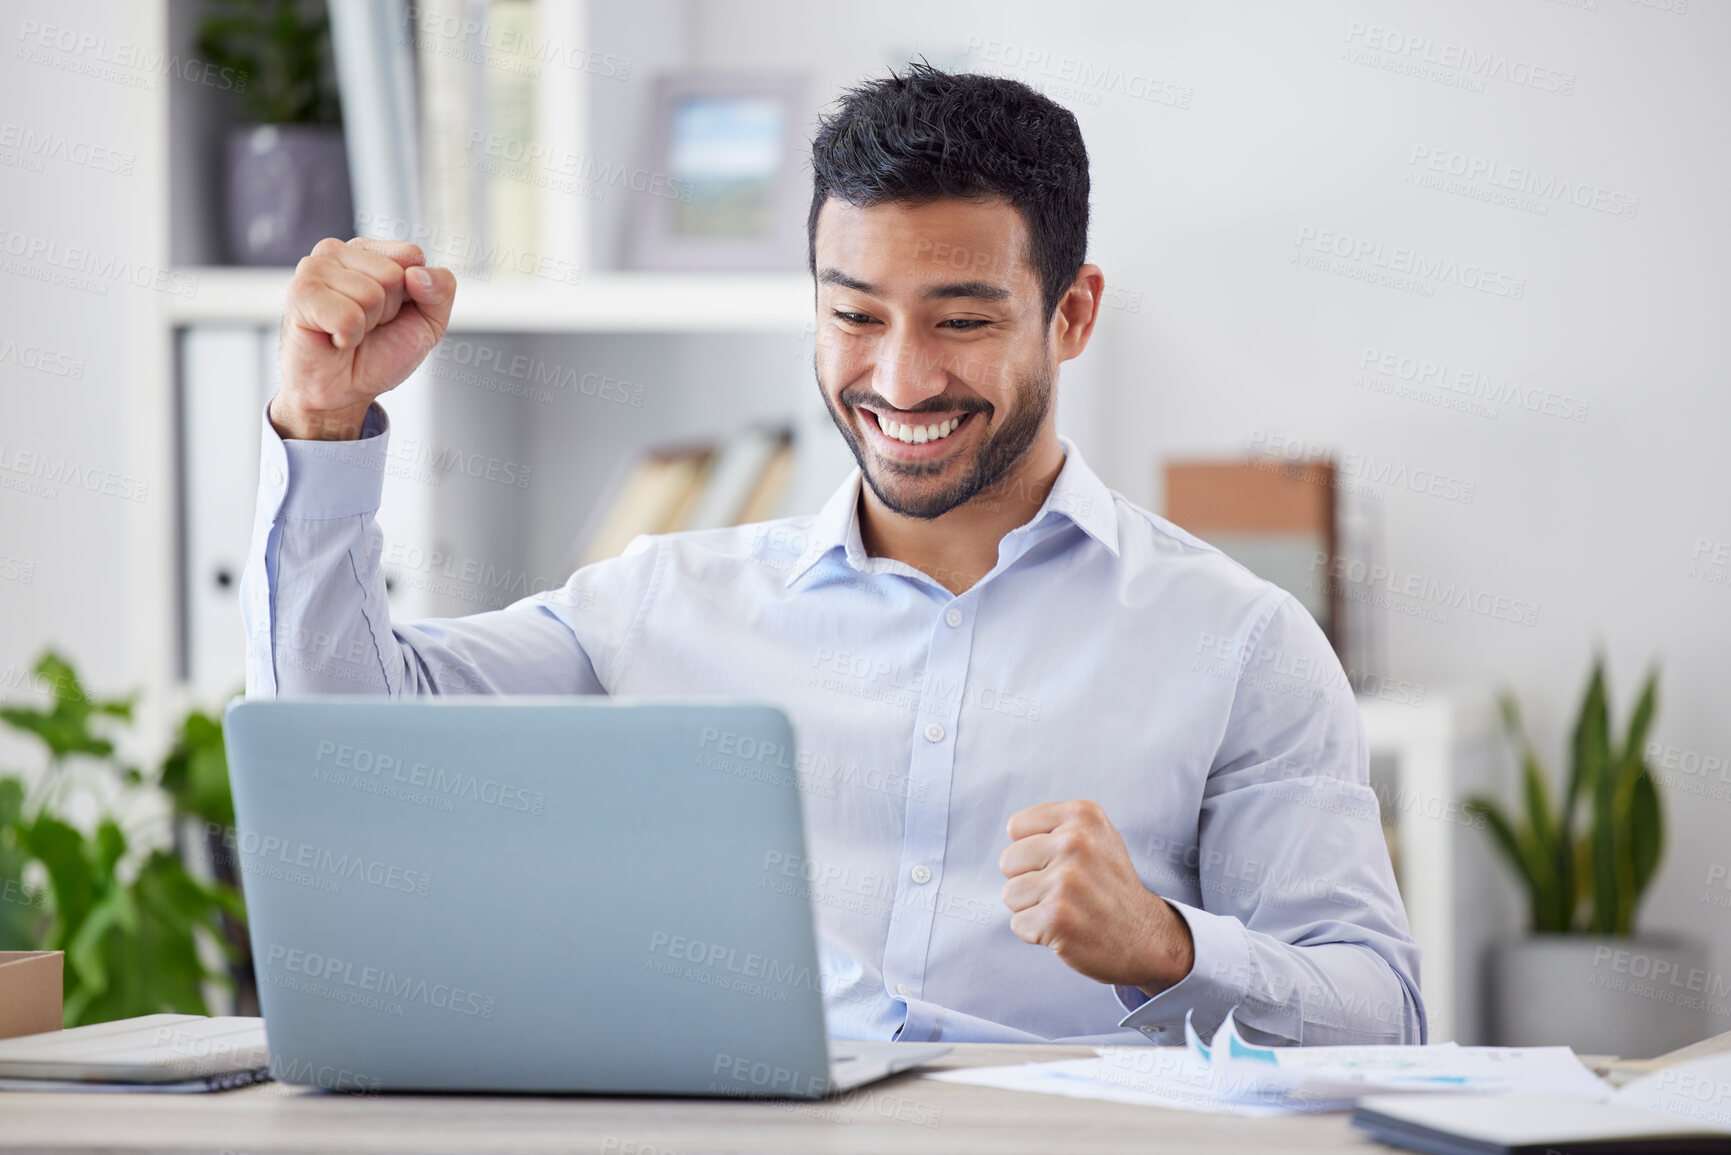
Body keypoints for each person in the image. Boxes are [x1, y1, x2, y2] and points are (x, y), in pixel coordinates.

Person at [243, 64, 1425, 1046]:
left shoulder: (1241, 644)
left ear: (1071, 315)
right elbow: (337, 750)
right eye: (855, 314)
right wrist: (320, 419)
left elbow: (1382, 1018)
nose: (901, 380)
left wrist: (1168, 946)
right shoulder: (661, 603)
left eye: (963, 320)